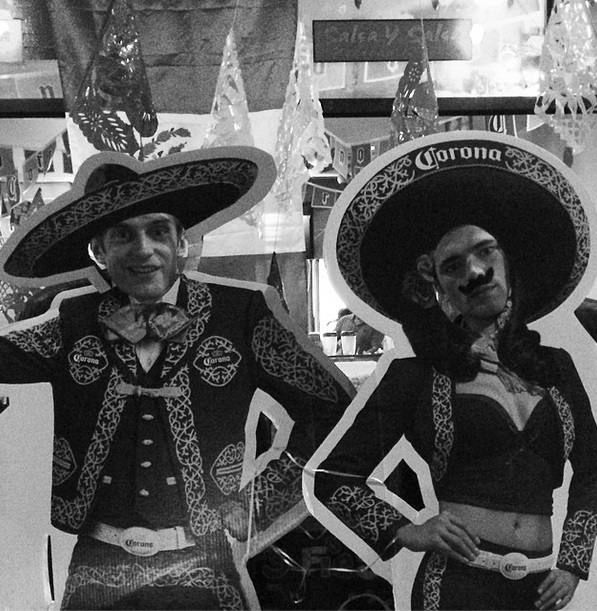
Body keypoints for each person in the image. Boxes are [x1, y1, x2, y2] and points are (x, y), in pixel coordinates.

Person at [0, 147, 353, 610]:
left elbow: (334, 414)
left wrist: (257, 502)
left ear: (181, 241)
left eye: (157, 231)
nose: (143, 249)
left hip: (204, 562)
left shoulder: (240, 314)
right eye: (123, 235)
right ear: (99, 251)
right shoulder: (74, 320)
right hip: (97, 566)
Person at [306, 132, 597, 610]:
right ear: (437, 289)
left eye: (486, 251)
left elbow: (591, 470)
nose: (475, 272)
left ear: (509, 261)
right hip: (455, 587)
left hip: (541, 589)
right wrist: (408, 529)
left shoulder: (555, 367)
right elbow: (331, 475)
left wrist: (572, 563)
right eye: (453, 266)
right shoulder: (416, 376)